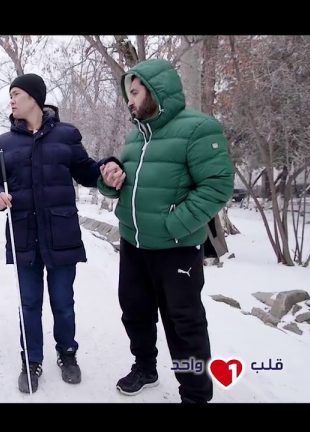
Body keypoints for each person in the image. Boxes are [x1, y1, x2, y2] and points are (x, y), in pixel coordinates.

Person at [98, 58, 234, 403]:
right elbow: (127, 185)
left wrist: (173, 225)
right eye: (128, 94)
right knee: (135, 312)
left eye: (134, 92)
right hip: (134, 244)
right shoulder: (136, 136)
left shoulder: (198, 128)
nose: (129, 101)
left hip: (176, 249)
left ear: (156, 90)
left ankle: (195, 394)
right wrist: (110, 180)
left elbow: (218, 186)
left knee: (183, 324)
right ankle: (145, 368)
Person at [0, 73, 120, 394]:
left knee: (63, 302)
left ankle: (68, 354)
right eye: (10, 95)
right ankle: (31, 360)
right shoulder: (5, 143)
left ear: (34, 97)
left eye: (16, 94)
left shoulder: (66, 135)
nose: (11, 100)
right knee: (29, 303)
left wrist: (107, 166)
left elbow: (87, 171)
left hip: (61, 233)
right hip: (23, 234)